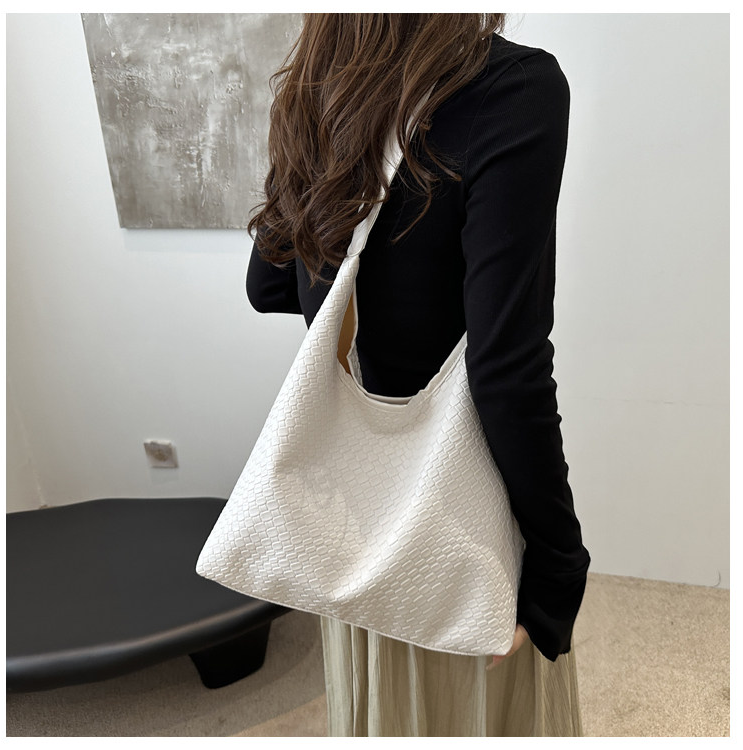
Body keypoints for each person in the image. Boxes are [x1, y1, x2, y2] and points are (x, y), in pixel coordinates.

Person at [245, 13, 591, 737]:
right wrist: (559, 568)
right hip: (460, 517)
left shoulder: (318, 83)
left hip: (353, 519)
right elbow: (507, 367)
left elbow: (268, 285)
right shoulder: (513, 87)